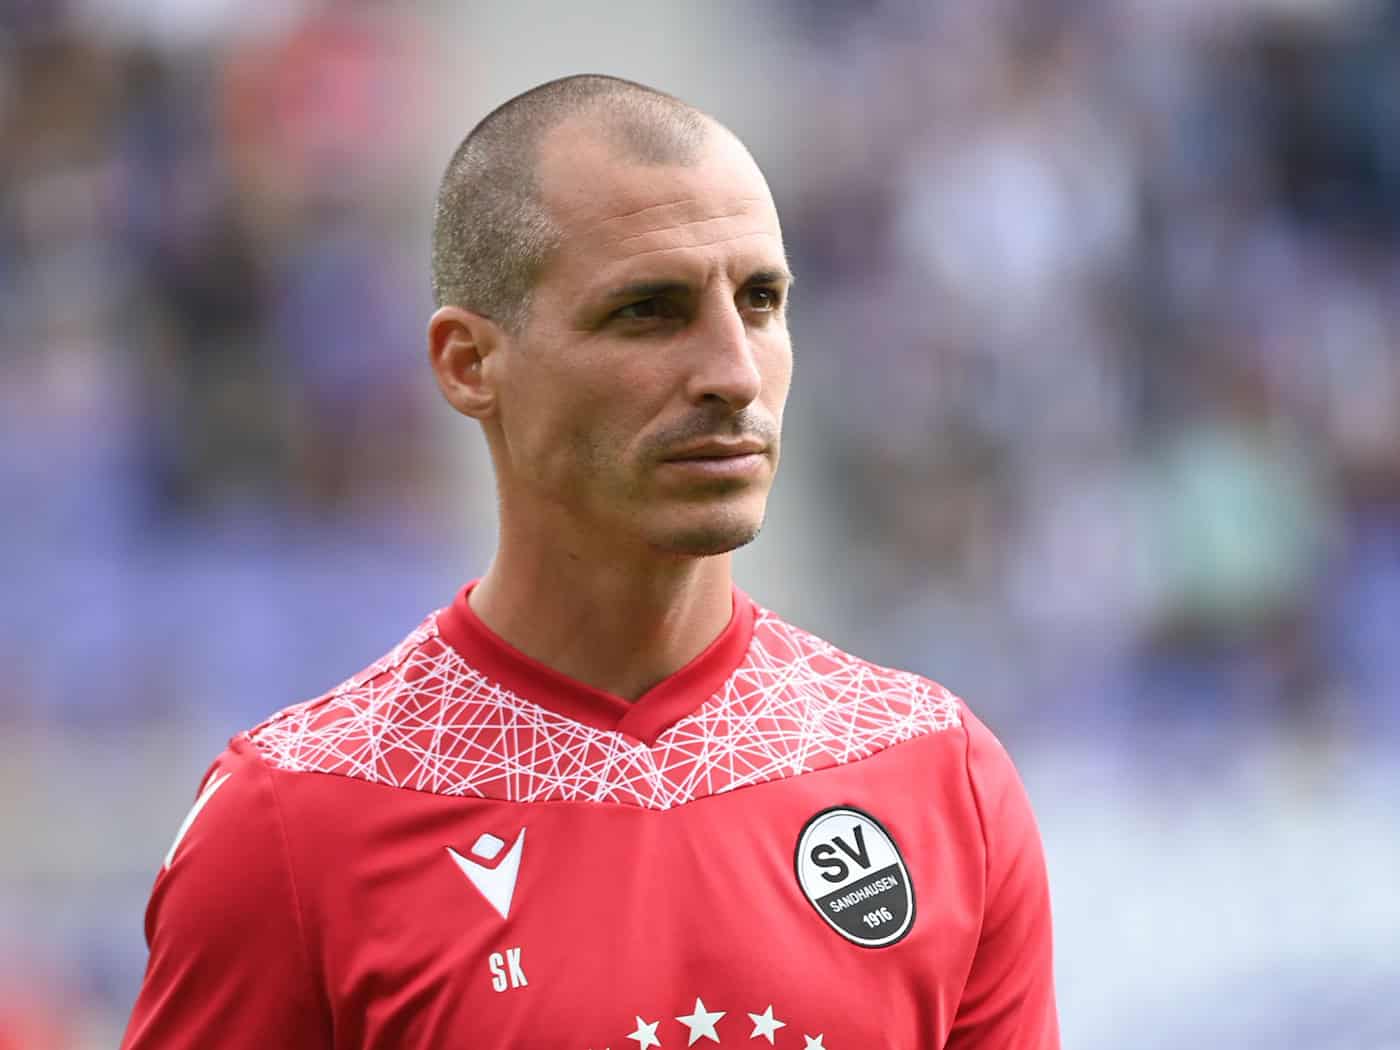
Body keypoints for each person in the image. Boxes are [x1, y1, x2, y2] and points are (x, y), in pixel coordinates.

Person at [121, 74, 1059, 1049]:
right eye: (648, 310)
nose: (733, 372)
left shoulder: (934, 775)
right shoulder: (293, 822)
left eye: (760, 301)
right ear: (468, 364)